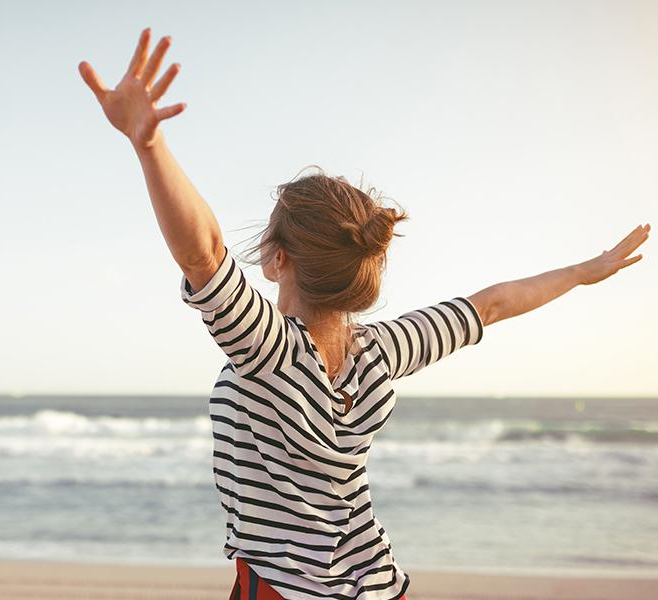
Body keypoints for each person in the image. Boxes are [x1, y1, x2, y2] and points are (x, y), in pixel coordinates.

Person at [75, 27, 649, 600]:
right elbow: (492, 305)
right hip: (381, 586)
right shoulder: (383, 351)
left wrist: (150, 148)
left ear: (277, 261)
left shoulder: (267, 349)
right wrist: (582, 271)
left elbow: (202, 252)